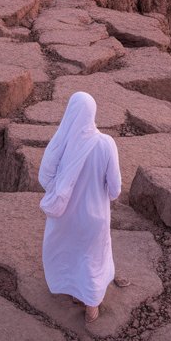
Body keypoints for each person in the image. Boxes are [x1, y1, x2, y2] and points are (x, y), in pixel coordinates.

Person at [38, 91, 129, 324]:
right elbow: (115, 189)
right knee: (91, 260)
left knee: (70, 253)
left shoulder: (60, 143)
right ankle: (91, 307)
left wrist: (64, 187)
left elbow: (45, 178)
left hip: (64, 217)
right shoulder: (106, 144)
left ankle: (74, 291)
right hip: (94, 217)